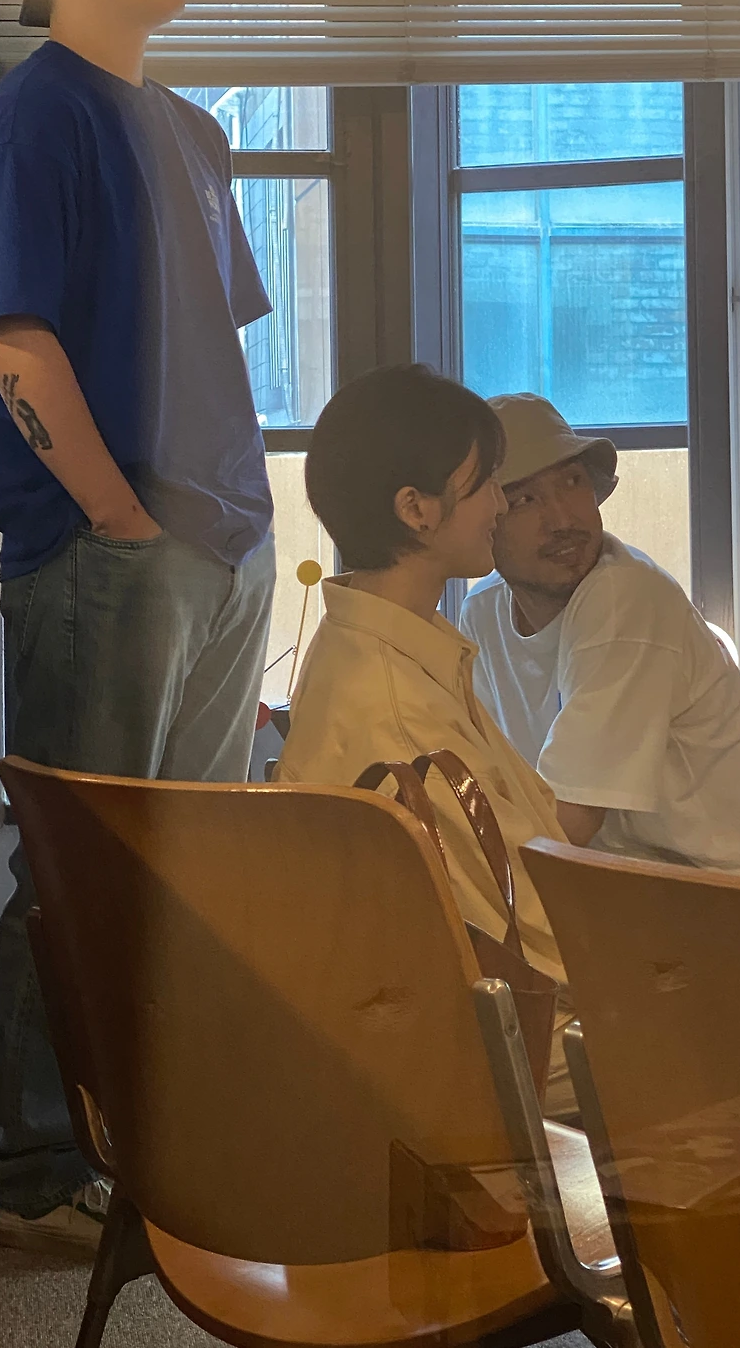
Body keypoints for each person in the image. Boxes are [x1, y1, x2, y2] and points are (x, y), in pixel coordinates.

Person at [0, 0, 277, 1253]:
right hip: (111, 557)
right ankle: (39, 1179)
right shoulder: (34, 119)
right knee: (78, 861)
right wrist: (116, 513)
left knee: (190, 865)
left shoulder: (194, 132)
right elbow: (15, 340)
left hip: (224, 547)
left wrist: (238, 517)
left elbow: (221, 336)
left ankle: (168, 1150)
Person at [276, 365, 579, 1113]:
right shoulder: (394, 705)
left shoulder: (391, 643)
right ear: (415, 509)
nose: (502, 505)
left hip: (473, 1023)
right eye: (485, 486)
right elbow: (532, 937)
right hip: (497, 1052)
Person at [462, 393, 740, 887]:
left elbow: (567, 824)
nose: (563, 519)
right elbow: (495, 779)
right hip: (652, 888)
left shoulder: (625, 597)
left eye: (573, 482)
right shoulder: (482, 612)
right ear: (484, 519)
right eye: (524, 500)